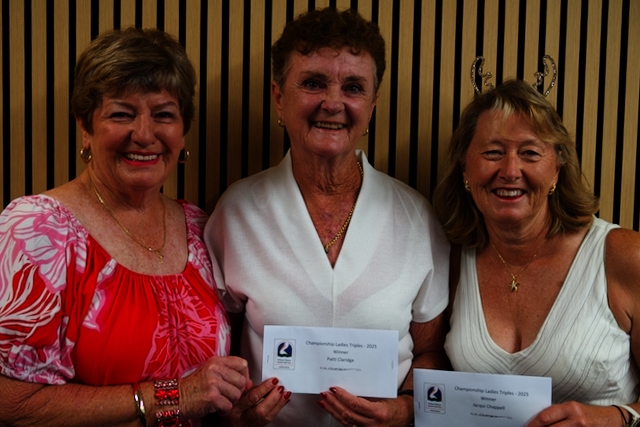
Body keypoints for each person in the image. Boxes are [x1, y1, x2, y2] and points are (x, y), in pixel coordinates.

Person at [205, 7, 450, 427]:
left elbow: (431, 350)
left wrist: (407, 408)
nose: (333, 103)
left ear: (372, 105)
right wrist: (233, 414)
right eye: (313, 83)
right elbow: (213, 348)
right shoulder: (238, 211)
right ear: (279, 97)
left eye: (353, 87)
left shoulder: (415, 217)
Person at [0, 27, 254, 427]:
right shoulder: (37, 230)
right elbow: (12, 403)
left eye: (164, 115)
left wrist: (234, 410)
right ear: (85, 126)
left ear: (182, 131)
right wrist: (172, 397)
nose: (144, 134)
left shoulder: (198, 226)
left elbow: (208, 388)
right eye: (121, 114)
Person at [433, 78, 640, 426]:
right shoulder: (450, 260)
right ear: (465, 169)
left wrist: (615, 418)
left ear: (556, 169)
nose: (510, 171)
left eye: (529, 153)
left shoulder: (623, 256)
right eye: (493, 152)